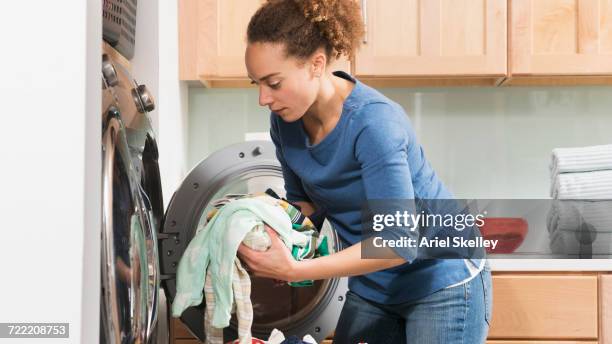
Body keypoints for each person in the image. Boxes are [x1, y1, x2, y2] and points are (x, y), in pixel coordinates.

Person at [237, 1, 492, 343]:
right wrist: (248, 228)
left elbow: (399, 242)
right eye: (257, 84)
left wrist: (297, 269)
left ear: (316, 64)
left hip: (440, 276)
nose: (263, 98)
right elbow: (306, 213)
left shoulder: (374, 124)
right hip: (375, 283)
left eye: (274, 82)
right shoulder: (285, 123)